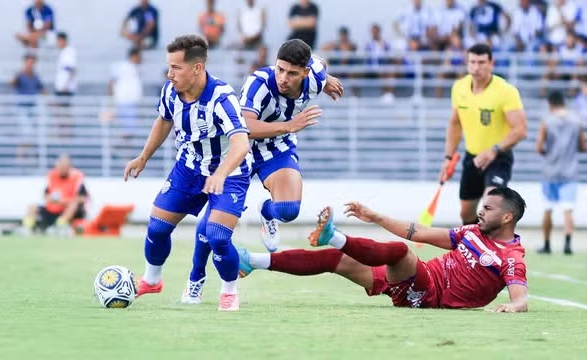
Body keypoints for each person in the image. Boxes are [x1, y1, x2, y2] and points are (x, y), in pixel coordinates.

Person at [180, 39, 344, 305]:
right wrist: (290, 125)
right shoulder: (259, 83)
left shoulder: (314, 76)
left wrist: (326, 80)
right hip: (238, 149)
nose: (282, 77)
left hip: (276, 149)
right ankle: (195, 277)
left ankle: (267, 212)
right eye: (279, 69)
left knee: (289, 209)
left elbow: (321, 64)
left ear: (304, 72)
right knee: (215, 225)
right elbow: (245, 126)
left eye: (291, 73)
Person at [238, 187, 529, 312]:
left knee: (402, 253)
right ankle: (253, 261)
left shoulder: (511, 257)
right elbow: (420, 232)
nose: (481, 212)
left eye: (488, 209)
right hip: (419, 280)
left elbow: (521, 300)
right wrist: (376, 217)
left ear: (507, 217)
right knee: (335, 261)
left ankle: (335, 236)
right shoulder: (471, 232)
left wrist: (512, 307)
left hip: (431, 295)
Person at [124, 35, 252, 312]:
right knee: (157, 227)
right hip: (189, 168)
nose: (170, 74)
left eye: (176, 68)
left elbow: (241, 144)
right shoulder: (170, 91)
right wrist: (143, 156)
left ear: (197, 68)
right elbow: (164, 121)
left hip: (229, 173)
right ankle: (152, 280)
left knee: (217, 236)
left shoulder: (222, 97)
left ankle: (229, 291)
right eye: (169, 67)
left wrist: (220, 173)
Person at [442, 43, 527, 225]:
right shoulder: (459, 88)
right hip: (472, 157)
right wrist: (448, 158)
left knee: (491, 205)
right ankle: (472, 247)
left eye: (481, 62)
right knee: (466, 214)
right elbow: (455, 124)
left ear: (491, 63)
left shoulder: (506, 91)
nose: (476, 67)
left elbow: (520, 130)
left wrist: (493, 150)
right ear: (467, 63)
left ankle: (493, 250)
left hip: (499, 158)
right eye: (472, 62)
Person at [535, 91, 585, 255]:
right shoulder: (576, 120)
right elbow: (582, 146)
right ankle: (568, 244)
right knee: (568, 210)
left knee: (548, 209)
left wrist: (548, 154)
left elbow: (539, 147)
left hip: (550, 170)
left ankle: (547, 244)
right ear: (564, 102)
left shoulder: (547, 120)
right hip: (569, 170)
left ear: (550, 104)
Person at [19, 154, 89, 235]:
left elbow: (83, 198)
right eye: (60, 166)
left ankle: (59, 227)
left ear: (69, 167)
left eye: (64, 166)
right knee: (32, 207)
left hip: (67, 210)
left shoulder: (76, 179)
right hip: (52, 208)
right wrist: (51, 199)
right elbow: (45, 195)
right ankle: (28, 229)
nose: (61, 168)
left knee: (73, 205)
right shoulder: (53, 177)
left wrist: (64, 201)